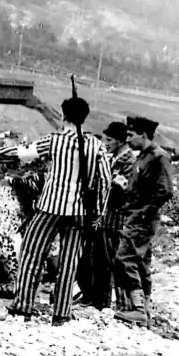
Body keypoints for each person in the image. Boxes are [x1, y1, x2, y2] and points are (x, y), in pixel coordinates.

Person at [0, 93, 111, 326]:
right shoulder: (97, 146)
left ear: (63, 115)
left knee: (32, 254)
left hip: (49, 208)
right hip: (80, 213)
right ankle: (62, 313)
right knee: (69, 261)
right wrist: (98, 213)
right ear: (84, 118)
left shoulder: (55, 140)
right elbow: (105, 181)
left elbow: (23, 152)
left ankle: (23, 306)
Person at [112, 115, 173, 327]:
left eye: (131, 135)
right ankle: (144, 309)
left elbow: (165, 190)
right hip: (135, 215)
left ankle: (138, 309)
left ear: (143, 135)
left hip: (142, 218)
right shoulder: (145, 156)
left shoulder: (158, 157)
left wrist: (143, 212)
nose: (128, 139)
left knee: (124, 258)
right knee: (141, 261)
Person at [76, 121, 135, 310]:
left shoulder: (128, 162)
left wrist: (100, 187)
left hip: (114, 218)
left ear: (120, 141)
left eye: (109, 140)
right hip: (102, 217)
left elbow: (119, 190)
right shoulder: (114, 159)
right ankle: (92, 297)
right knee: (94, 258)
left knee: (105, 261)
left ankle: (102, 302)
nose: (106, 143)